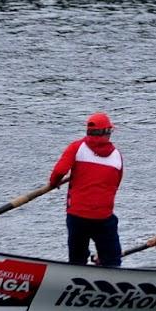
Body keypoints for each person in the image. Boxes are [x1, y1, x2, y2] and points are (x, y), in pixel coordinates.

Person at [47, 112, 125, 267]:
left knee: (77, 258)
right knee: (112, 260)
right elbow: (116, 185)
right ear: (107, 133)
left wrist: (54, 183)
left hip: (77, 215)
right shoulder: (117, 156)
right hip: (103, 216)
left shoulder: (76, 148)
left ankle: (76, 275)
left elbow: (59, 172)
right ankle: (111, 272)